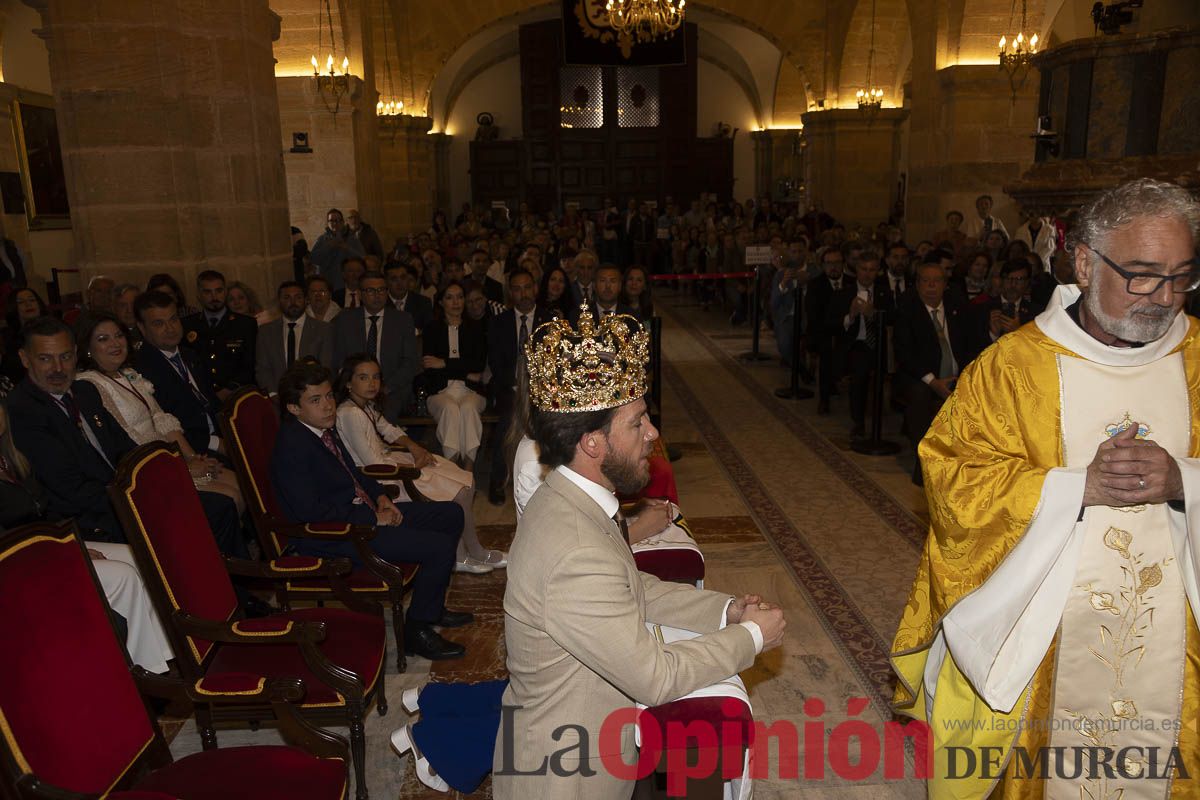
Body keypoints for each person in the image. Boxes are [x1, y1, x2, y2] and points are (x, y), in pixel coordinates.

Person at [891, 178, 1200, 798]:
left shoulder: (1197, 359)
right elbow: (952, 474)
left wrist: (1184, 480)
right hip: (1045, 636)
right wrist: (1071, 489)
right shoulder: (1013, 367)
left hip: (1178, 634)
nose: (1165, 297)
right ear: (1084, 262)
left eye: (1182, 275)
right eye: (1142, 274)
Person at [494, 307, 786, 799]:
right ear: (592, 443)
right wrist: (751, 636)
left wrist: (723, 608)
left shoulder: (573, 500)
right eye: (637, 422)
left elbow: (628, 588)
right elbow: (656, 677)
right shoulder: (573, 549)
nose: (653, 433)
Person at [269, 361, 470, 661]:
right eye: (315, 400)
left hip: (362, 515)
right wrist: (373, 518)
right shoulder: (292, 448)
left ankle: (431, 606)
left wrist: (380, 498)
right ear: (293, 408)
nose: (327, 406)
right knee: (438, 547)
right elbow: (311, 512)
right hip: (335, 535)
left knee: (451, 515)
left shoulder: (321, 429)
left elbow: (354, 473)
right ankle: (417, 630)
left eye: (328, 396)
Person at [8, 316, 245, 557]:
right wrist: (140, 499)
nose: (58, 368)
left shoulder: (83, 392)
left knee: (221, 506)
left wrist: (164, 477)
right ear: (25, 359)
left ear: (76, 354)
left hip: (124, 494)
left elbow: (125, 448)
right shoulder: (24, 411)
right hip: (93, 516)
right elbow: (72, 490)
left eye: (65, 357)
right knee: (208, 511)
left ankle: (227, 589)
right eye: (45, 359)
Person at [0, 399, 174, 673]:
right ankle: (145, 670)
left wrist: (74, 545)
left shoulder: (11, 457)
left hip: (47, 544)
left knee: (133, 555)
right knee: (121, 576)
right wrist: (68, 554)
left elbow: (47, 515)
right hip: (17, 563)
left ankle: (159, 661)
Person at [334, 354, 505, 573]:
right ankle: (464, 554)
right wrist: (414, 467)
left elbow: (388, 429)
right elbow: (372, 463)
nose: (372, 383)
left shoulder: (363, 405)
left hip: (391, 461)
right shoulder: (349, 414)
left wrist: (415, 449)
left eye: (376, 377)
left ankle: (471, 550)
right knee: (460, 492)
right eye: (363, 377)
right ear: (349, 382)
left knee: (465, 480)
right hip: (382, 476)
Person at [76, 313, 244, 513]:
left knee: (238, 484)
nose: (115, 343)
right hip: (150, 471)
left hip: (171, 457)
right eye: (103, 339)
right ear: (87, 348)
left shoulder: (128, 373)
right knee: (229, 497)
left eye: (119, 336)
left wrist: (191, 458)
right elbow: (125, 438)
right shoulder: (90, 384)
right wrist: (181, 467)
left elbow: (161, 418)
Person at [891, 262, 974, 485]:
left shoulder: (958, 308)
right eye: (925, 280)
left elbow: (970, 345)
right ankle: (924, 463)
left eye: (936, 280)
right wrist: (933, 382)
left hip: (957, 375)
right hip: (921, 377)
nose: (931, 286)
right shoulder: (907, 310)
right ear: (917, 285)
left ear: (944, 285)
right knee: (919, 395)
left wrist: (966, 377)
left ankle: (968, 464)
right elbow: (905, 354)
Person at [132, 291, 226, 457]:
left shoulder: (190, 355)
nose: (170, 329)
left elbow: (211, 401)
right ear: (142, 328)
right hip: (189, 451)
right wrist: (218, 443)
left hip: (220, 436)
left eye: (173, 319)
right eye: (159, 323)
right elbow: (165, 424)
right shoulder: (140, 370)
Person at [487, 270, 551, 505]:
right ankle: (499, 478)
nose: (522, 293)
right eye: (517, 288)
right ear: (510, 292)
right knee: (508, 418)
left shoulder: (548, 320)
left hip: (541, 389)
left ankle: (547, 479)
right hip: (508, 387)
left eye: (527, 287)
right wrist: (516, 386)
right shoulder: (498, 322)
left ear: (535, 288)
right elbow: (496, 363)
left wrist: (534, 388)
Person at [332, 270, 418, 420]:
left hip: (391, 389)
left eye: (381, 290)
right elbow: (339, 359)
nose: (377, 295)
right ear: (360, 294)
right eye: (370, 290)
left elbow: (410, 363)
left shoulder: (403, 320)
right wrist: (355, 388)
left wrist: (384, 388)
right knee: (350, 416)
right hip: (355, 389)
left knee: (381, 416)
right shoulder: (346, 320)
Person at [826, 249, 895, 437]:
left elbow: (894, 319)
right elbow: (830, 325)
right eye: (864, 269)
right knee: (861, 366)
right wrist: (850, 316)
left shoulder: (884, 293)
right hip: (854, 344)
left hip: (881, 345)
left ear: (878, 271)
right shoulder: (843, 294)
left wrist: (874, 314)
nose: (867, 274)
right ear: (856, 269)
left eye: (872, 270)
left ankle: (887, 413)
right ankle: (859, 420)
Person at [422, 282, 487, 469]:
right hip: (439, 391)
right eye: (449, 297)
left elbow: (478, 364)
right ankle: (452, 468)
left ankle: (468, 470)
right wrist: (466, 372)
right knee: (450, 408)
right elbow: (429, 366)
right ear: (441, 302)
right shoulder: (432, 329)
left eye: (459, 296)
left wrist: (444, 363)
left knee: (468, 408)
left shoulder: (476, 328)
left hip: (472, 392)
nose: (456, 302)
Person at [181, 270, 258, 399]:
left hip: (237, 395)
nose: (214, 297)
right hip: (201, 396)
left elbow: (250, 364)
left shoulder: (245, 324)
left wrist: (230, 389)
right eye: (207, 292)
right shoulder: (188, 325)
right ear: (199, 295)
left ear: (225, 292)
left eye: (219, 291)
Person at [256, 280, 333, 393]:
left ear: (306, 300)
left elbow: (327, 367)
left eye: (298, 297)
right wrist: (273, 394)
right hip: (277, 396)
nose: (293, 302)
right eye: (287, 297)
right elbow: (262, 369)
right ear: (279, 301)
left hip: (313, 395)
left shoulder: (323, 330)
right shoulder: (266, 332)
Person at [805, 246, 847, 415]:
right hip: (824, 331)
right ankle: (824, 399)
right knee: (827, 350)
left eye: (837, 262)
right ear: (823, 266)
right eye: (829, 263)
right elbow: (814, 317)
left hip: (849, 331)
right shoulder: (816, 285)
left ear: (843, 264)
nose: (833, 267)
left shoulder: (851, 282)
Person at [309, 208, 365, 293]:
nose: (335, 223)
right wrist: (329, 247)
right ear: (328, 223)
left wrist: (347, 248)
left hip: (347, 285)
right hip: (327, 284)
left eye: (338, 220)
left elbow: (362, 258)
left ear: (342, 222)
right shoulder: (322, 240)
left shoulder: (352, 239)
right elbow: (313, 258)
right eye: (332, 221)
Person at [2, 287, 47, 383]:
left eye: (32, 300)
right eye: (21, 302)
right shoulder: (10, 340)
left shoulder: (54, 329)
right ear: (14, 307)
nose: (28, 304)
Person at [385, 261, 434, 330]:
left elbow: (430, 332)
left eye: (403, 277)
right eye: (394, 279)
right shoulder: (380, 303)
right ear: (386, 282)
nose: (400, 283)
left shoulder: (424, 302)